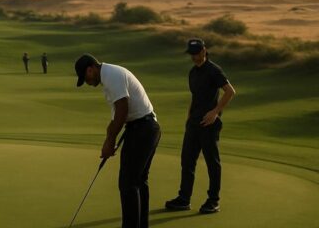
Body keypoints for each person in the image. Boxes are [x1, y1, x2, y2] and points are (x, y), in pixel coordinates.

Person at [75, 53, 161, 228]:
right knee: (138, 181)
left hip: (143, 129)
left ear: (90, 69)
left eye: (85, 78)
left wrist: (110, 141)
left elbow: (123, 109)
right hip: (144, 128)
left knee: (128, 183)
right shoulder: (108, 78)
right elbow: (116, 118)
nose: (87, 82)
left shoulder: (112, 75)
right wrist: (109, 138)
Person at [165, 38, 236, 214]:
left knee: (212, 162)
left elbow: (230, 91)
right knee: (187, 161)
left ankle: (213, 201)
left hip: (209, 124)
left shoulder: (214, 70)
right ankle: (184, 199)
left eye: (197, 53)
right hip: (194, 123)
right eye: (191, 54)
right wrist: (189, 117)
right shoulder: (192, 72)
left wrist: (215, 112)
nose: (194, 57)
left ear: (204, 51)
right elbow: (195, 96)